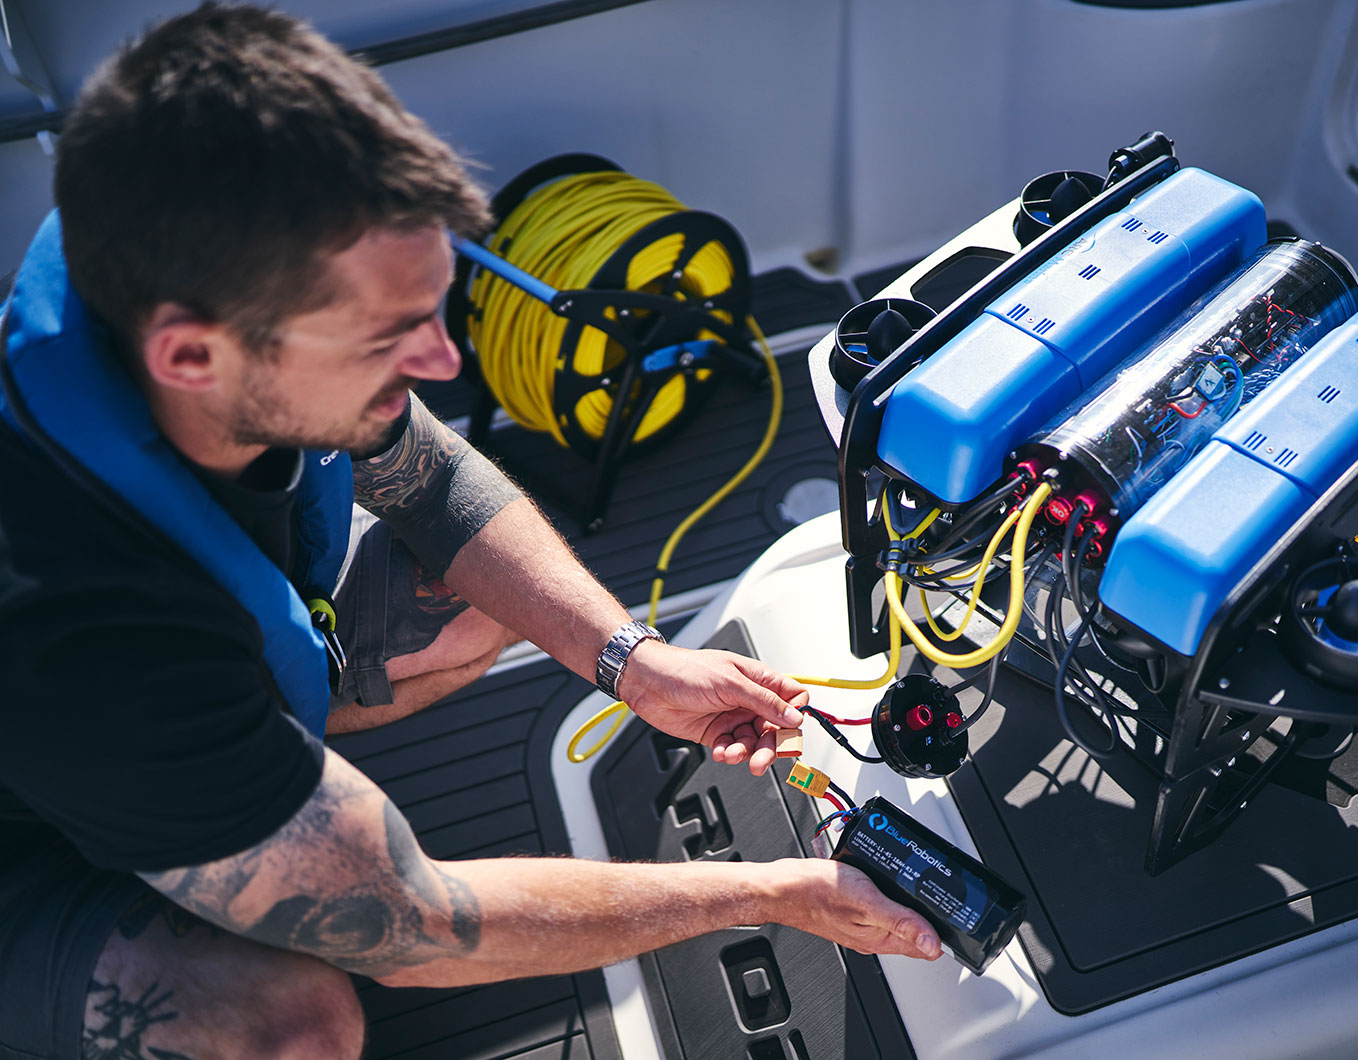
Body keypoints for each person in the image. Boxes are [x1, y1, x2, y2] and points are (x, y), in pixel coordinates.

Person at [0, 5, 940, 1058]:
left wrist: (634, 662)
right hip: (29, 847)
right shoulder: (83, 636)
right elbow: (418, 927)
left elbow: (431, 479)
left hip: (148, 735)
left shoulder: (164, 259)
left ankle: (235, 809)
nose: (446, 364)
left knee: (482, 604)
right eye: (392, 338)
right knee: (295, 1026)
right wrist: (768, 890)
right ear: (191, 360)